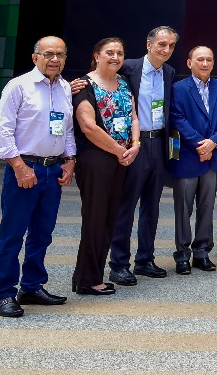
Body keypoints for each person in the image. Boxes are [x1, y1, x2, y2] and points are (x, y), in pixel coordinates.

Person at [0, 37, 76, 317]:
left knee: (42, 234)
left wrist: (70, 160)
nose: (55, 59)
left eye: (60, 54)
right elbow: (2, 131)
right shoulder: (19, 86)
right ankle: (4, 293)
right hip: (25, 169)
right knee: (13, 235)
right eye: (48, 54)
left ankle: (32, 286)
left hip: (53, 169)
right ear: (34, 57)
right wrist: (19, 166)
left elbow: (67, 129)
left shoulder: (64, 87)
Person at [109, 25, 176, 286]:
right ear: (149, 45)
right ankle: (119, 264)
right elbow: (101, 79)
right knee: (126, 205)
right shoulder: (128, 67)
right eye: (161, 44)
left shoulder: (168, 72)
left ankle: (145, 259)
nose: (166, 50)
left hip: (159, 144)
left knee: (152, 205)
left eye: (171, 45)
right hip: (134, 145)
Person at [70, 37, 138, 296]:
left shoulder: (123, 82)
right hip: (96, 159)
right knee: (95, 218)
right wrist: (120, 150)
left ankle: (93, 275)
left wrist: (136, 144)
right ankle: (87, 279)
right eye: (109, 52)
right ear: (96, 55)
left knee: (110, 217)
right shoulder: (83, 86)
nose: (115, 57)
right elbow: (88, 126)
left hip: (122, 158)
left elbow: (132, 116)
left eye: (120, 53)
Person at [168, 46, 217, 274]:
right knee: (183, 208)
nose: (205, 64)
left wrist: (213, 143)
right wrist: (200, 144)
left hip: (212, 156)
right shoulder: (178, 88)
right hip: (188, 155)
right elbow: (177, 118)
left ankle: (202, 252)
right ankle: (182, 255)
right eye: (200, 59)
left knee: (207, 206)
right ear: (189, 63)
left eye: (209, 59)